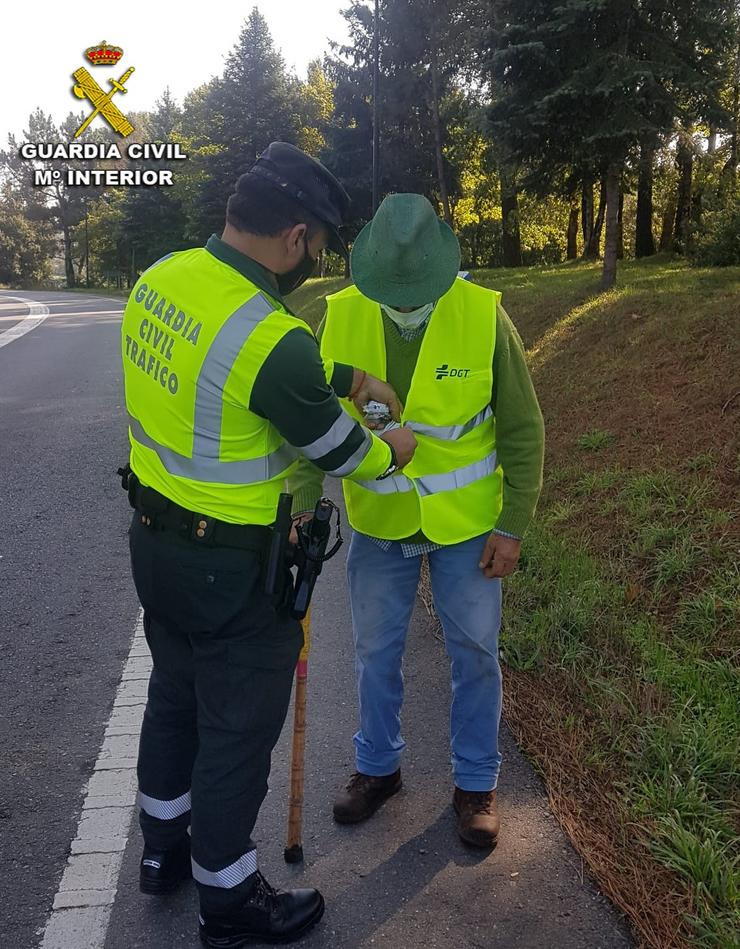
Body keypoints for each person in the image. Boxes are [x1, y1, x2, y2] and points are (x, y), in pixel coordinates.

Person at [120, 143, 417, 947]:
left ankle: (163, 850)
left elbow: (246, 361)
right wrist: (395, 445)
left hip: (155, 543)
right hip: (233, 573)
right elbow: (340, 451)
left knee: (173, 698)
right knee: (237, 731)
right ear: (294, 238)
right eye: (315, 248)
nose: (311, 262)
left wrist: (351, 375)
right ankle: (229, 899)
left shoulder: (163, 280)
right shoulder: (270, 338)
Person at [294, 193, 545, 849]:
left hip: (466, 530)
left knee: (476, 655)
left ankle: (476, 784)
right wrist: (300, 501)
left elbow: (522, 429)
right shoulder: (340, 316)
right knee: (375, 653)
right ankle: (378, 768)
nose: (403, 300)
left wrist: (512, 522)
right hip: (380, 524)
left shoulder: (483, 316)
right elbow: (308, 416)